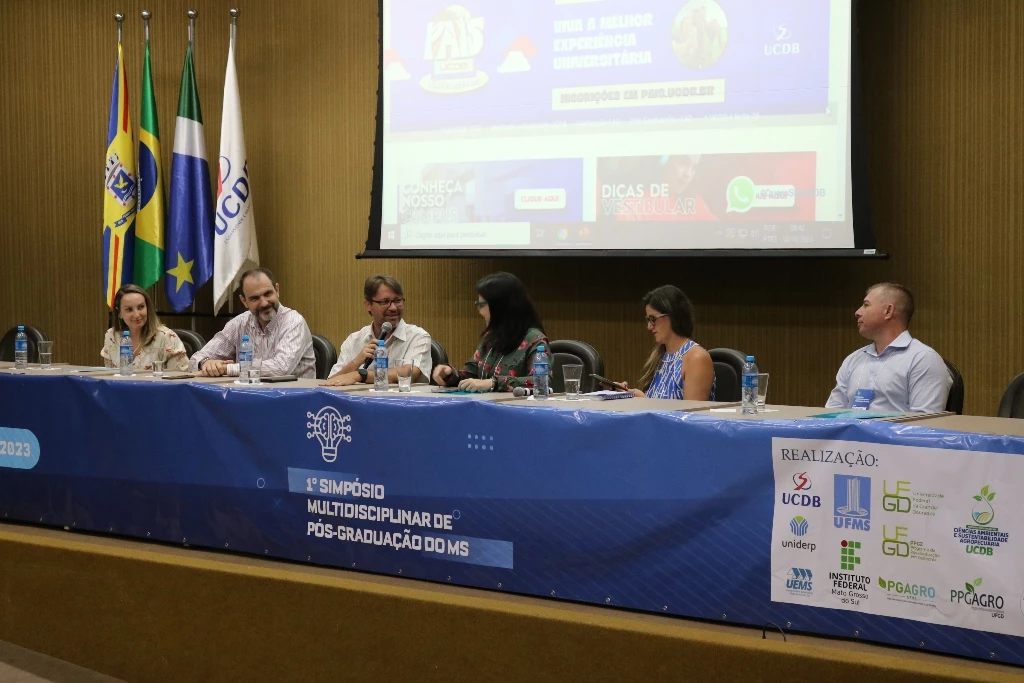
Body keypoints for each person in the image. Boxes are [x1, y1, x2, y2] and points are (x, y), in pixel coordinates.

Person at [826, 283, 951, 413]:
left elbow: (925, 421)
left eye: (866, 305)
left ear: (888, 311)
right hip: (851, 427)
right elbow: (832, 412)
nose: (857, 312)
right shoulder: (853, 359)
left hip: (897, 428)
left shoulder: (923, 359)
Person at [190, 267, 316, 379]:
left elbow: (280, 368)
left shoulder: (294, 321)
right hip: (251, 393)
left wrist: (227, 369)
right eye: (255, 298)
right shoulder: (239, 323)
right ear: (244, 301)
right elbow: (196, 358)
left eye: (268, 294)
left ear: (277, 290)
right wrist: (206, 363)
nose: (264, 303)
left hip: (294, 395)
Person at [432, 272, 547, 392]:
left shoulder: (535, 340)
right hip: (485, 402)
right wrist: (450, 375)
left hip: (516, 403)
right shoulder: (491, 337)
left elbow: (541, 381)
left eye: (481, 305)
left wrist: (494, 383)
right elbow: (471, 374)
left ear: (500, 306)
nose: (479, 311)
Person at [323, 275, 432, 386]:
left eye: (398, 301)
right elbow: (330, 382)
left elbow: (409, 372)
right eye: (385, 302)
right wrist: (356, 362)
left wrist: (360, 375)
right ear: (368, 305)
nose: (393, 308)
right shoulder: (354, 340)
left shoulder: (418, 337)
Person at [619, 285, 715, 400]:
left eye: (653, 319)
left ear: (672, 316)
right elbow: (655, 401)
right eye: (648, 320)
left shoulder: (696, 358)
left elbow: (691, 411)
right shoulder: (660, 354)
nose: (649, 326)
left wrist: (645, 401)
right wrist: (628, 394)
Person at [101, 284, 189, 372]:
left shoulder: (166, 337)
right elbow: (109, 375)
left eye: (141, 307)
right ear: (119, 313)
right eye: (129, 309)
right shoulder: (111, 335)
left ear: (147, 308)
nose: (136, 315)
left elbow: (181, 375)